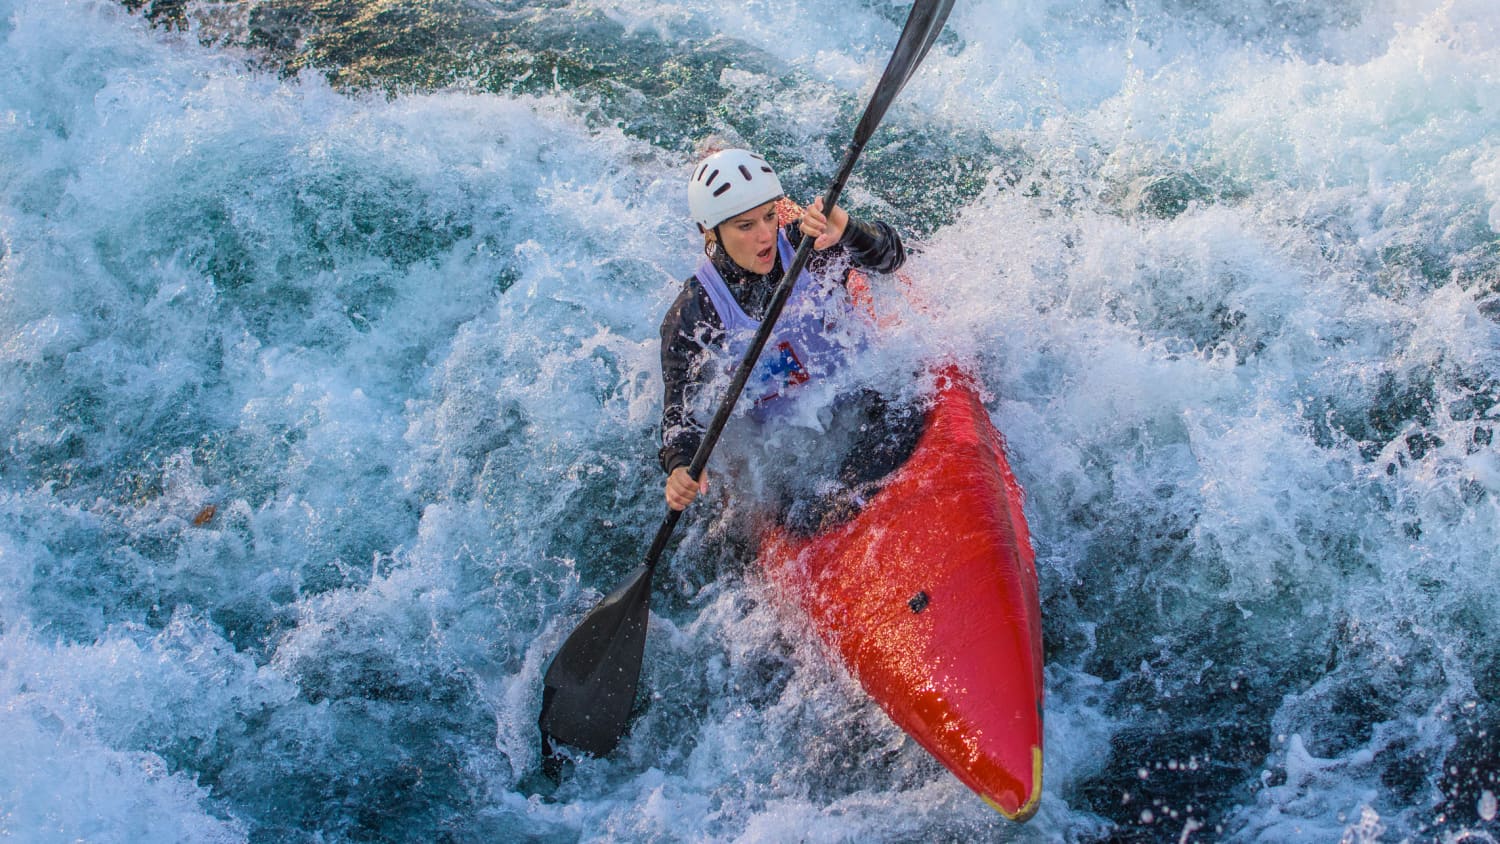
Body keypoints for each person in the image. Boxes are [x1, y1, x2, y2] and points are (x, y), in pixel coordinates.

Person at [658, 148, 917, 524]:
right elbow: (680, 414)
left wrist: (848, 230)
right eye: (745, 226)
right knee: (803, 515)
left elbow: (890, 261)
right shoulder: (695, 314)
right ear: (709, 231)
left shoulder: (810, 248)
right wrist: (681, 466)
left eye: (769, 216)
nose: (765, 235)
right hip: (791, 442)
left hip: (865, 396)